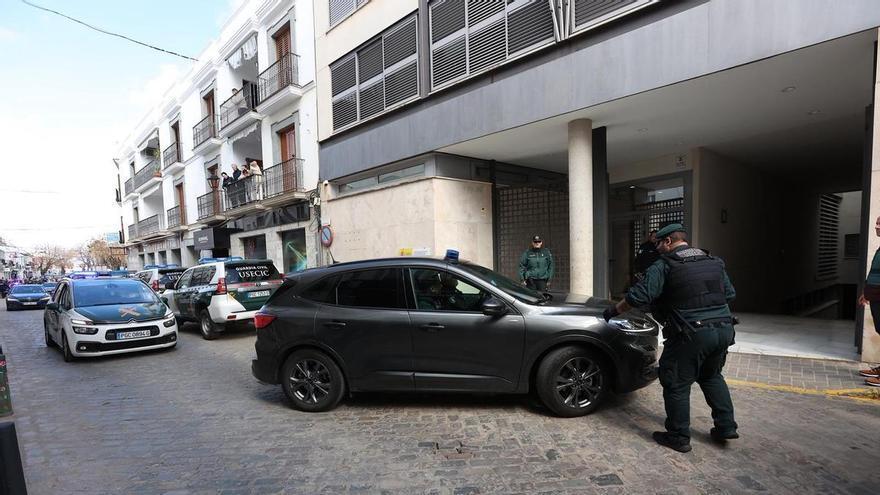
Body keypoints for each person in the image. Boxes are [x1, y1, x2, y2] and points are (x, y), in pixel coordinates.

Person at [603, 223, 738, 453]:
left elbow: (639, 296)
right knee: (711, 376)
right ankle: (726, 427)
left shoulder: (665, 265)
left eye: (658, 243)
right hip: (724, 329)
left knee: (676, 382)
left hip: (691, 334)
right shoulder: (713, 261)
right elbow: (730, 294)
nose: (656, 248)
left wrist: (613, 311)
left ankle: (678, 436)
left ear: (668, 241)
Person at [857, 215, 880, 387]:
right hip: (875, 296)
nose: (876, 226)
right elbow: (874, 272)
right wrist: (866, 293)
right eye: (877, 223)